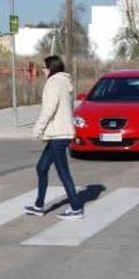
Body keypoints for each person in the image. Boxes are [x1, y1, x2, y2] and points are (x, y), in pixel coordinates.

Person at [24, 55, 84, 219]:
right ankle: (38, 205)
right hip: (59, 133)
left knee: (63, 172)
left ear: (51, 68)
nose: (43, 70)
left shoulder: (53, 83)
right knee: (42, 167)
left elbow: (49, 109)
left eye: (44, 67)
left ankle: (76, 208)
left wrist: (38, 129)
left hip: (58, 134)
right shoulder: (65, 83)